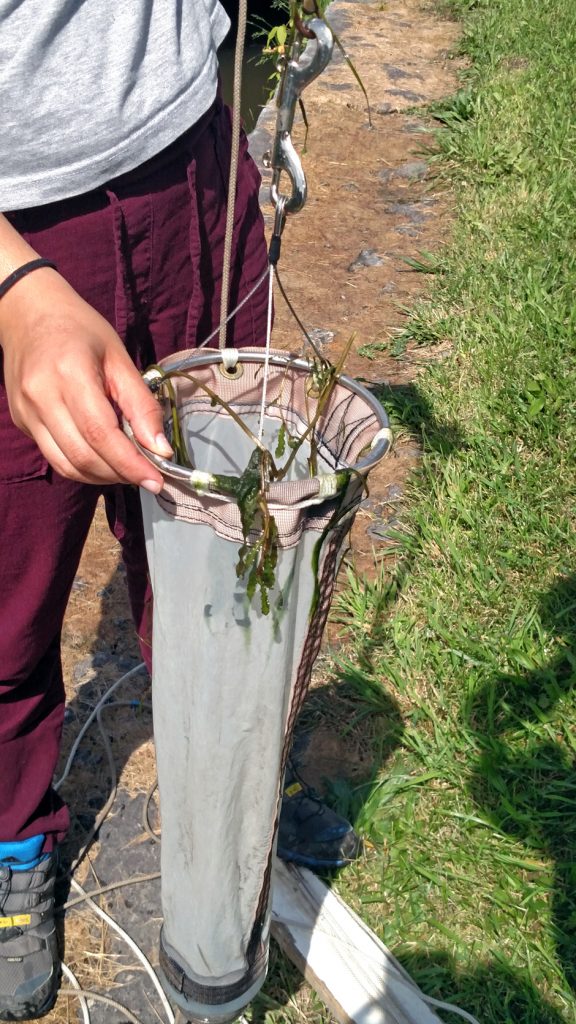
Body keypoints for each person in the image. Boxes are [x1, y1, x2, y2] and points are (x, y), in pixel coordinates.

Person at [0, 1, 360, 1019]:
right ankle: (12, 834)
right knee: (9, 594)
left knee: (227, 540)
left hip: (194, 163)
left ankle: (237, 786)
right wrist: (17, 290)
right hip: (21, 239)